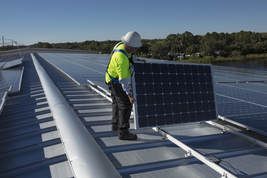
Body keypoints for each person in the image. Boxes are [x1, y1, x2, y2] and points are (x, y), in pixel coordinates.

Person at [105, 31, 142, 140]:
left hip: (110, 78)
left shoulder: (120, 45)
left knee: (116, 102)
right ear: (130, 46)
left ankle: (115, 125)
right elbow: (124, 81)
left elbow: (130, 56)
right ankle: (123, 132)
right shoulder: (122, 59)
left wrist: (137, 60)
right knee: (125, 105)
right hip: (116, 82)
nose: (136, 50)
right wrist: (130, 95)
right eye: (135, 48)